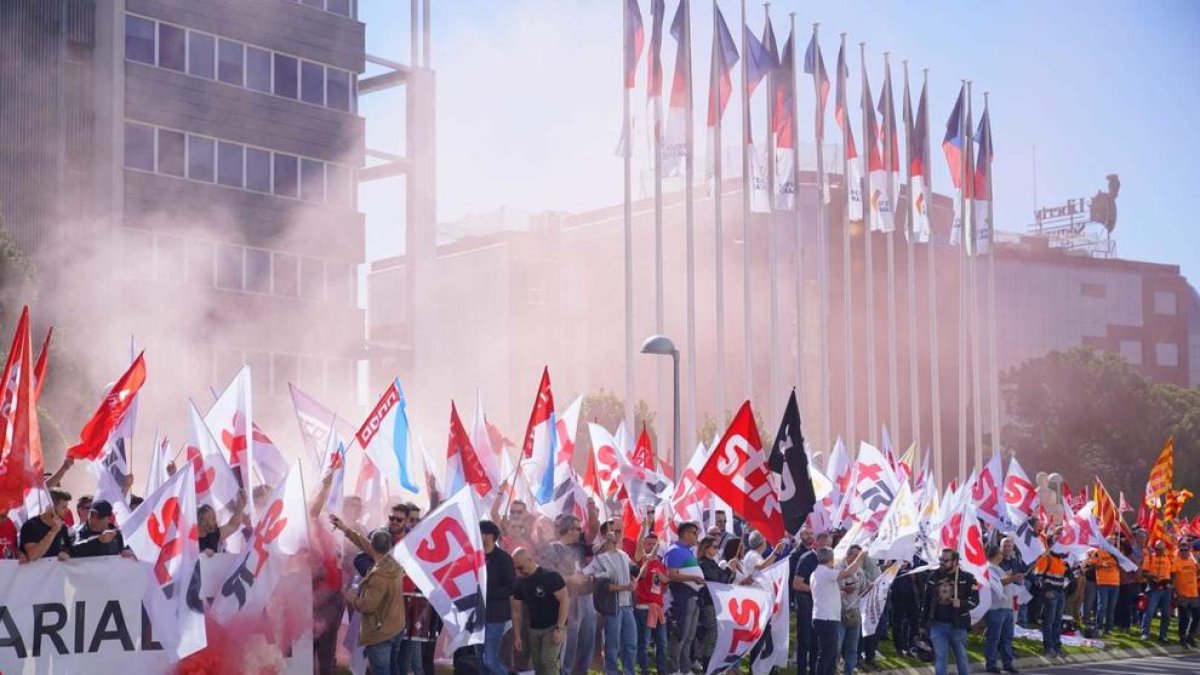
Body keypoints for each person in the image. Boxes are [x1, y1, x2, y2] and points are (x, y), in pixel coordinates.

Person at [329, 515, 405, 675]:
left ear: (374, 547)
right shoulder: (392, 562)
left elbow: (367, 606)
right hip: (395, 628)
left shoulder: (379, 576)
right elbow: (365, 544)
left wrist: (351, 596)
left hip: (380, 634)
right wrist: (345, 529)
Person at [543, 514, 597, 675]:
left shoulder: (580, 547)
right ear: (568, 529)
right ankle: (564, 671)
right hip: (568, 599)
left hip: (587, 597)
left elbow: (601, 548)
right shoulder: (553, 548)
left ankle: (582, 671)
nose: (580, 532)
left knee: (588, 640)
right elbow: (548, 574)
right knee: (570, 641)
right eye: (577, 528)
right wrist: (570, 579)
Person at [512, 547, 570, 675]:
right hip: (534, 629)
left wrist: (560, 628)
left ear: (530, 560)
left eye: (521, 567)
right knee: (538, 664)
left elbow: (564, 600)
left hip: (553, 626)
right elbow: (516, 612)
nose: (519, 572)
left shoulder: (550, 577)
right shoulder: (519, 583)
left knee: (548, 660)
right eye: (516, 569)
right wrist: (517, 635)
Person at [593, 518, 639, 675]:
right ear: (606, 534)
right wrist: (624, 587)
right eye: (615, 532)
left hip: (627, 607)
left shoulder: (623, 554)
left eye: (620, 531)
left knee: (631, 644)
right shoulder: (600, 555)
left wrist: (634, 580)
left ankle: (629, 672)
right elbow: (603, 586)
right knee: (612, 646)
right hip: (613, 608)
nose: (619, 535)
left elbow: (636, 570)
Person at [923, 548, 979, 675]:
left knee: (961, 657)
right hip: (937, 624)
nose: (942, 562)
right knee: (941, 657)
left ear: (955, 562)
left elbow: (975, 600)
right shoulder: (933, 576)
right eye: (940, 559)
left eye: (946, 560)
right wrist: (922, 624)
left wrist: (962, 603)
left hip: (958, 625)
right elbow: (926, 602)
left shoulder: (968, 578)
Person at [811, 547, 865, 675]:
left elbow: (825, 591)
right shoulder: (826, 572)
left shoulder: (818, 573)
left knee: (829, 655)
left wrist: (839, 592)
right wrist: (860, 558)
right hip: (826, 619)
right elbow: (848, 572)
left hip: (825, 618)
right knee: (826, 655)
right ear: (830, 559)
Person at [665, 521, 704, 675]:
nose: (697, 536)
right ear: (686, 534)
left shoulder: (688, 551)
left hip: (694, 597)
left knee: (689, 636)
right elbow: (671, 574)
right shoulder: (675, 550)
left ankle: (685, 668)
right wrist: (693, 578)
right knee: (680, 634)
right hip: (682, 597)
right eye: (695, 533)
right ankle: (675, 669)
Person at [792, 531, 831, 675]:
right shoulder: (806, 559)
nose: (829, 552)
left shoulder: (828, 562)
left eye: (830, 548)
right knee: (805, 642)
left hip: (820, 606)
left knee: (817, 642)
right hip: (805, 604)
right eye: (827, 548)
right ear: (818, 544)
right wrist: (815, 589)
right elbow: (796, 584)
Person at [480, 519, 516, 675]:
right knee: (481, 661)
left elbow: (512, 586)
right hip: (477, 616)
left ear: (490, 536)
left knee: (490, 660)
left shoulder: (503, 559)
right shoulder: (474, 557)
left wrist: (488, 593)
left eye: (482, 532)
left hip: (496, 615)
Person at [633, 530, 668, 675]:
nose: (652, 546)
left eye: (655, 544)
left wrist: (664, 578)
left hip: (658, 608)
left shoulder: (661, 564)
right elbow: (642, 576)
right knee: (644, 643)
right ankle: (644, 670)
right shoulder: (641, 560)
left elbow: (665, 584)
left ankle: (662, 670)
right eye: (649, 544)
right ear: (645, 545)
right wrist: (646, 562)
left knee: (662, 643)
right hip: (644, 608)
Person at [984, 545, 1023, 674]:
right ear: (997, 555)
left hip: (1006, 607)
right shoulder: (988, 568)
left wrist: (1009, 576)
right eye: (1000, 553)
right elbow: (998, 583)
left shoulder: (998, 568)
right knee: (994, 637)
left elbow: (1003, 579)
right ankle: (991, 664)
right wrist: (1013, 577)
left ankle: (1007, 663)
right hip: (996, 608)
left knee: (1007, 637)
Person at [695, 535, 733, 666]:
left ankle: (705, 657)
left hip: (715, 601)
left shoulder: (712, 562)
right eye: (714, 546)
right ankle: (704, 659)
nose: (717, 549)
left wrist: (729, 570)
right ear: (706, 548)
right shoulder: (702, 564)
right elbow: (717, 579)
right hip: (707, 602)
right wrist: (728, 569)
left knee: (714, 632)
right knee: (711, 631)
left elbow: (724, 579)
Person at [1032, 548, 1070, 657]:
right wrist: (1046, 591)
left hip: (1060, 592)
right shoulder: (1046, 557)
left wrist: (1065, 584)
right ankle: (1048, 648)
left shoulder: (1061, 559)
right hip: (1051, 593)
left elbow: (1067, 574)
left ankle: (1057, 646)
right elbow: (1037, 576)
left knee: (1057, 622)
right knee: (1049, 622)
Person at [836, 545, 867, 675]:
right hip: (839, 613)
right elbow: (828, 589)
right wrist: (843, 590)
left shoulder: (860, 571)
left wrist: (868, 588)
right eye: (855, 556)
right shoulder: (837, 568)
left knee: (852, 649)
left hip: (854, 613)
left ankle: (848, 672)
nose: (858, 559)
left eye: (860, 557)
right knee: (836, 648)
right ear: (848, 555)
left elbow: (863, 589)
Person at [20, 488, 73, 561]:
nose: (67, 510)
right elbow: (32, 555)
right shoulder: (31, 526)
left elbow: (69, 551)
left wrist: (65, 555)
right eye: (63, 507)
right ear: (51, 507)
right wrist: (53, 531)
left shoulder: (63, 528)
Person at [1140, 538, 1174, 643]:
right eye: (1158, 549)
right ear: (1155, 549)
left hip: (1166, 588)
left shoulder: (1169, 558)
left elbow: (1174, 573)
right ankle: (1145, 633)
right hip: (1153, 587)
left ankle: (1163, 635)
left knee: (1166, 613)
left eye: (1162, 549)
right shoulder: (1149, 557)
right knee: (1149, 611)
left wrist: (1172, 584)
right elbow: (1143, 572)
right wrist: (1152, 576)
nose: (1160, 551)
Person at [1087, 535, 1121, 635]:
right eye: (1109, 541)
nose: (1112, 543)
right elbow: (1091, 564)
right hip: (1103, 582)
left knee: (1111, 607)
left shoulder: (1116, 552)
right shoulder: (1098, 552)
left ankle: (1108, 628)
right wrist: (1102, 564)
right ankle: (1099, 627)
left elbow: (1122, 565)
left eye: (1113, 541)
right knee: (1102, 606)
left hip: (1115, 583)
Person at [1174, 540, 1199, 648]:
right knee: (1184, 618)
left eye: (1186, 549)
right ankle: (1182, 637)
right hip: (1182, 595)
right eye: (1182, 550)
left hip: (1193, 594)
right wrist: (1177, 593)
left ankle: (1191, 636)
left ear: (1189, 551)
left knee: (1197, 616)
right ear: (1179, 550)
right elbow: (1173, 579)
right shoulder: (1176, 562)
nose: (1184, 551)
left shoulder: (1192, 561)